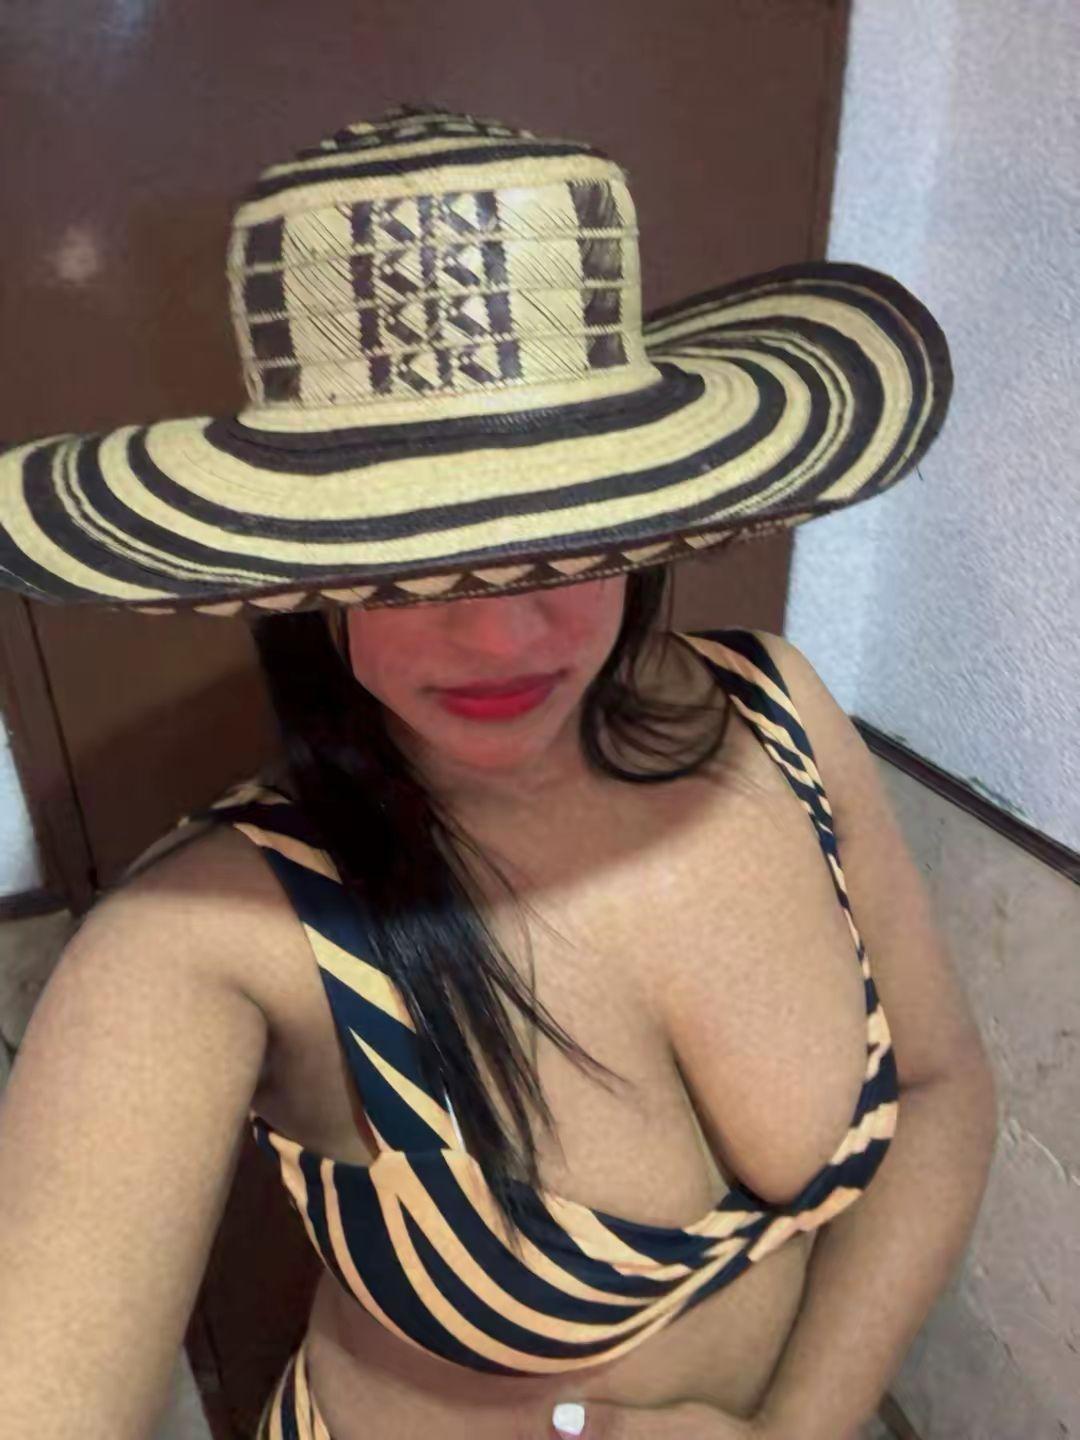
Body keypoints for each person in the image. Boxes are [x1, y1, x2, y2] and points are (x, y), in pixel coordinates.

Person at [0, 104, 996, 1440]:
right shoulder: (200, 942)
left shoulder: (776, 712)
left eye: (562, 537)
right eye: (412, 559)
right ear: (300, 570)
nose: (500, 636)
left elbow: (938, 1090)